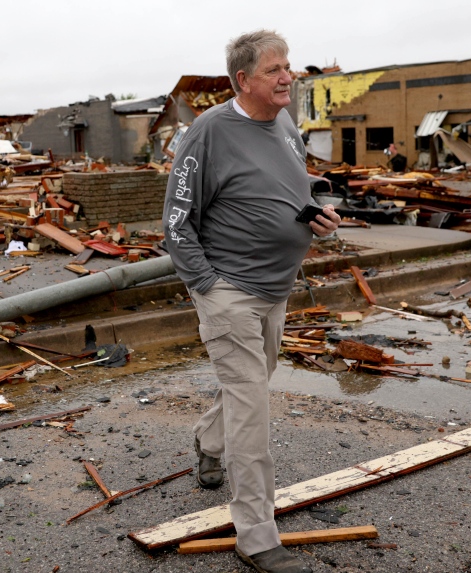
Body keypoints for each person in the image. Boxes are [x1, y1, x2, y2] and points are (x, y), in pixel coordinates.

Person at [162, 30, 340, 573]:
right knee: (253, 410)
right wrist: (209, 289)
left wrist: (316, 206)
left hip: (276, 288)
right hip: (230, 293)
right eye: (274, 71)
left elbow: (288, 180)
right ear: (244, 80)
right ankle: (257, 535)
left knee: (252, 387)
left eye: (288, 67)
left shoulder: (285, 123)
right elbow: (176, 222)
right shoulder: (208, 133)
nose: (288, 77)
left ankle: (208, 443)